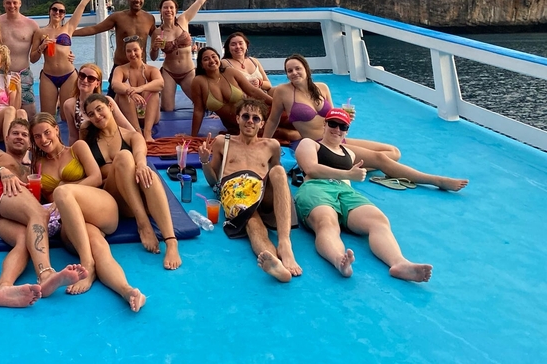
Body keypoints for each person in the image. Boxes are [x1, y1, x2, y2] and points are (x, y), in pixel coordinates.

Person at [266, 55, 469, 191]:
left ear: (306, 69)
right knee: (381, 159)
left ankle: (350, 169)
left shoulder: (322, 87)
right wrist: (263, 145)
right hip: (318, 145)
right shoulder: (283, 92)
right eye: (289, 70)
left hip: (336, 139)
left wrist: (345, 119)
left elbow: (333, 118)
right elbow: (273, 121)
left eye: (297, 68)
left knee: (393, 152)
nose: (293, 73)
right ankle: (436, 180)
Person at [294, 108, 433, 281]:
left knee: (378, 219)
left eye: (342, 127)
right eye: (333, 124)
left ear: (347, 131)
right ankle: (339, 259)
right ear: (325, 124)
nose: (337, 129)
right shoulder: (310, 143)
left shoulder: (350, 153)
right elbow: (311, 168)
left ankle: (399, 263)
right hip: (316, 187)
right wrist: (347, 175)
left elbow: (380, 159)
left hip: (345, 191)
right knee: (326, 222)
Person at [30, 113, 146, 311]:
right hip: (71, 222)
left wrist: (66, 191)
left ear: (57, 130)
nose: (43, 139)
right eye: (37, 136)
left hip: (98, 206)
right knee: (99, 247)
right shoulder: (37, 163)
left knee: (62, 192)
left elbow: (95, 177)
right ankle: (127, 290)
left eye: (47, 132)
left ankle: (86, 263)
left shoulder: (77, 148)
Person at [0, 119, 88, 307]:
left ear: (30, 143)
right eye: (15, 133)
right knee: (39, 215)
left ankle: (2, 288)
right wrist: (2, 171)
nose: (20, 137)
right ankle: (46, 274)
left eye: (25, 135)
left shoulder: (31, 168)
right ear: (7, 137)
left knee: (25, 240)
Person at [198, 99, 301, 282]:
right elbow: (213, 181)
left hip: (261, 189)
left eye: (255, 118)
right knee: (253, 222)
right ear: (237, 119)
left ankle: (285, 243)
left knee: (278, 171)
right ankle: (275, 262)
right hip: (235, 190)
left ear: (262, 123)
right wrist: (205, 161)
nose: (250, 121)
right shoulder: (223, 142)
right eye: (245, 116)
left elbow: (278, 183)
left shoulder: (271, 146)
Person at [83, 93, 181, 270]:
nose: (97, 116)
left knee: (146, 172)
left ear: (110, 107)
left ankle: (171, 242)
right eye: (91, 114)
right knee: (124, 156)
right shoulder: (88, 137)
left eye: (100, 109)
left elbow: (140, 154)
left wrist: (141, 165)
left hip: (139, 198)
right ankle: (143, 224)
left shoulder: (132, 136)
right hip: (113, 200)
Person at [29, 0, 103, 117]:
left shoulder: (68, 28)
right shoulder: (39, 32)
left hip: (68, 75)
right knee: (47, 115)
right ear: (49, 11)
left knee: (66, 114)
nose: (58, 13)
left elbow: (82, 5)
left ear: (64, 15)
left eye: (61, 11)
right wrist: (41, 48)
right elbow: (32, 59)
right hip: (48, 75)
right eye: (55, 10)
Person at [150, 0, 222, 110]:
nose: (168, 10)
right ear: (160, 10)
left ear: (175, 10)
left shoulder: (184, 20)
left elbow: (199, 2)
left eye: (171, 7)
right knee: (168, 109)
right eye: (165, 7)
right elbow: (153, 57)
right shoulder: (157, 32)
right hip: (168, 72)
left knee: (203, 104)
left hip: (188, 71)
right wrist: (154, 48)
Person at [74, 0, 156, 96]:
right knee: (111, 103)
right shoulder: (118, 17)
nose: (137, 0)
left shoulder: (149, 18)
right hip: (120, 68)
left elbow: (159, 36)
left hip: (140, 69)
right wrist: (70, 32)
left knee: (141, 104)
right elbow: (95, 29)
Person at [190, 47, 272, 137]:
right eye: (206, 59)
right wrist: (193, 136)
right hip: (237, 125)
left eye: (214, 57)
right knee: (282, 133)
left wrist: (275, 103)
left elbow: (252, 91)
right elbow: (198, 110)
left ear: (219, 59)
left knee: (285, 120)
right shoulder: (198, 82)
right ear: (201, 64)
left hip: (255, 113)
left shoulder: (230, 72)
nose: (211, 60)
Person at [62, 63, 135, 145]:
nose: (85, 80)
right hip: (88, 148)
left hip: (111, 144)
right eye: (82, 76)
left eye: (91, 78)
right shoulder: (69, 105)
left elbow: (127, 127)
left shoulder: (107, 101)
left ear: (97, 83)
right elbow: (73, 136)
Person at [111, 39, 164, 143]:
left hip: (149, 116)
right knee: (123, 89)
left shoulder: (151, 70)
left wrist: (140, 88)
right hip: (127, 118)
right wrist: (131, 92)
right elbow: (115, 85)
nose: (133, 54)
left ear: (142, 50)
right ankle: (137, 132)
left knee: (153, 90)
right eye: (129, 51)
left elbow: (160, 83)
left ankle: (147, 133)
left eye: (135, 50)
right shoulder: (120, 70)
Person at [0, 0, 41, 118]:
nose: (12, 6)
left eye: (14, 2)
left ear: (20, 3)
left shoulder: (32, 25)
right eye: (8, 3)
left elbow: (35, 57)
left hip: (23, 74)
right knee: (3, 110)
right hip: (2, 74)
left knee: (30, 113)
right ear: (3, 4)